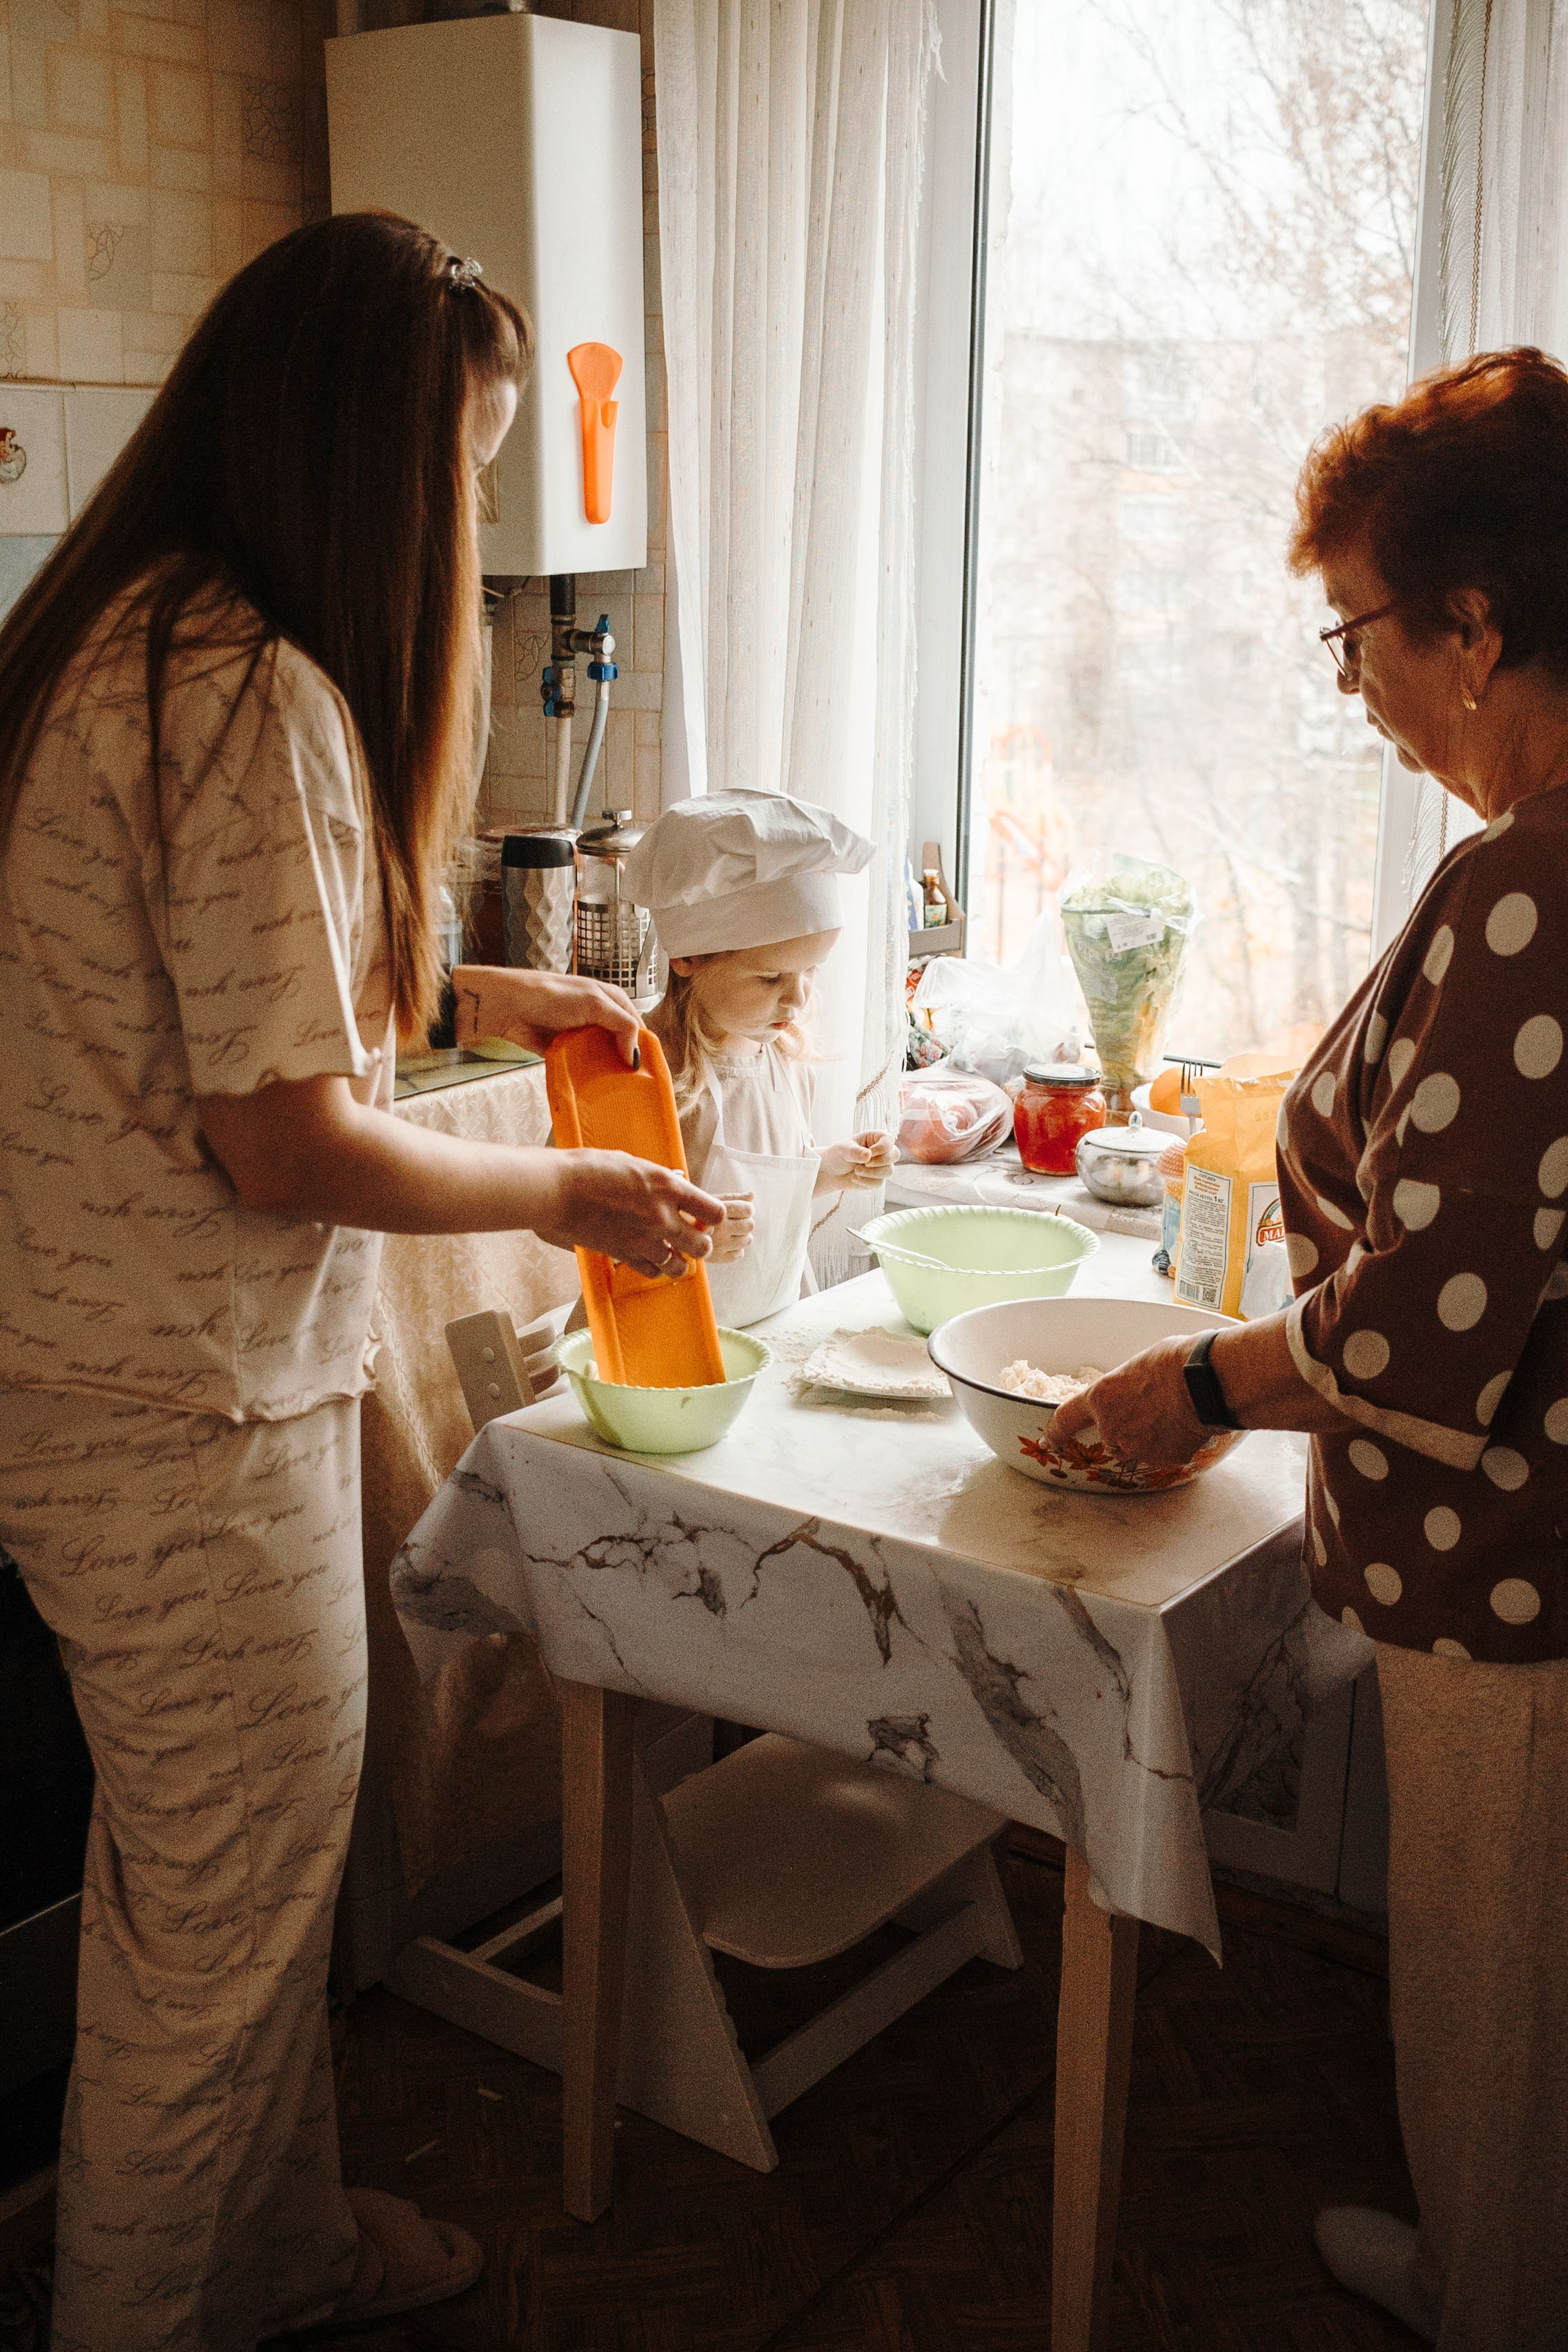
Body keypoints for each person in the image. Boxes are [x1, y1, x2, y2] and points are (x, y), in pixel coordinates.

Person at [0, 213, 722, 2352]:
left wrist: (470, 984)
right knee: (219, 1939)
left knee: (211, 1885)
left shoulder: (128, 633)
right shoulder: (255, 691)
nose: (468, 513)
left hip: (99, 1383)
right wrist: (566, 1193)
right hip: (180, 1421)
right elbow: (279, 1136)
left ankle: (286, 2252)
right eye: (467, 466)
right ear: (371, 461)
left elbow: (226, 1020)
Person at [1050, 346, 1568, 2352]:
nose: (1345, 681)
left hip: (1508, 1565)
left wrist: (1192, 1387)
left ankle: (1489, 2293)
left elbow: (1434, 1326)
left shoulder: (1531, 886)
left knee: (1492, 2014)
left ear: (1471, 620)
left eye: (1352, 629)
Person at [623, 791, 897, 1327]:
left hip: (771, 1326)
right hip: (663, 1343)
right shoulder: (638, 1066)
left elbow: (767, 1193)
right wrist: (679, 1234)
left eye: (811, 972)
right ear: (688, 958)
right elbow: (565, 1215)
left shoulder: (784, 1059)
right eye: (771, 978)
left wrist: (828, 1167)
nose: (796, 1000)